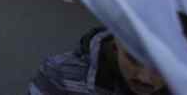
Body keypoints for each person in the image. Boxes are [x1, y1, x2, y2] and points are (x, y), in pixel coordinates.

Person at [28, 27, 168, 94]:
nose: (145, 78)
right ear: (115, 44)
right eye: (133, 59)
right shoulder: (59, 75)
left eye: (164, 67)